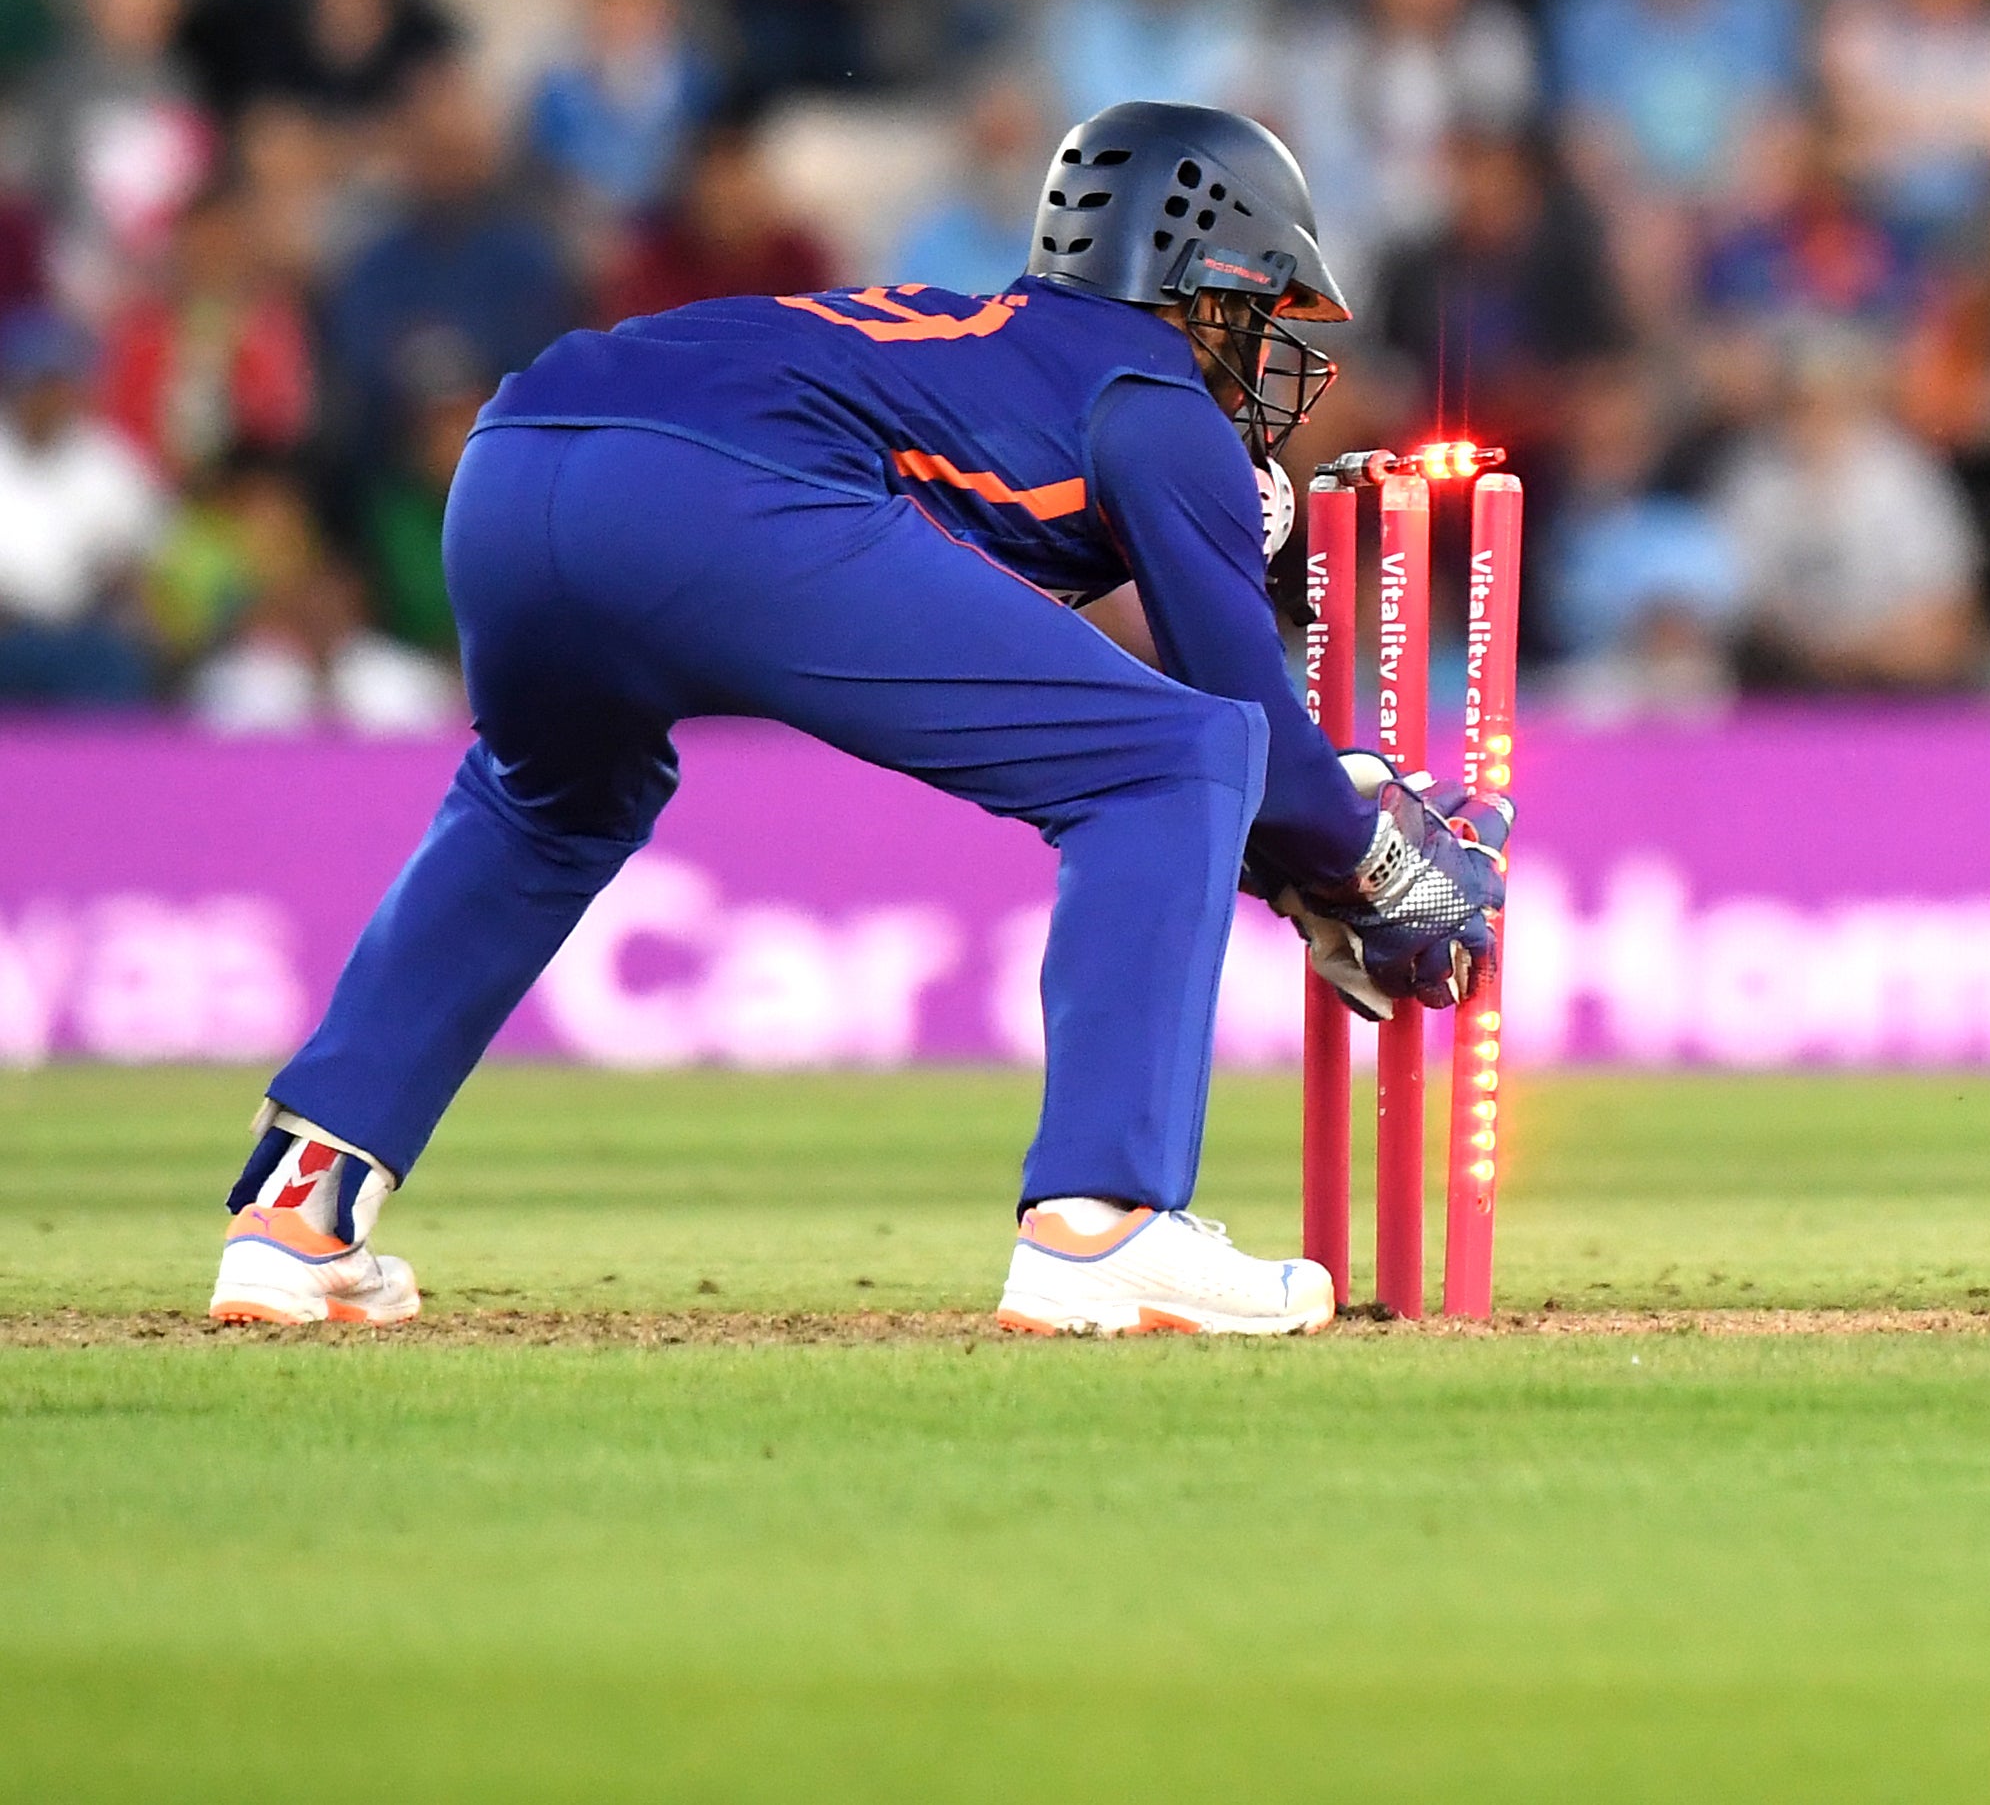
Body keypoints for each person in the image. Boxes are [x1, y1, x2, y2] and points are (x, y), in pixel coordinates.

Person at [210, 104, 1504, 1340]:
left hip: (510, 464)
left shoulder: (982, 336)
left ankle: (297, 1212)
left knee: (549, 803)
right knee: (1167, 763)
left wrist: (1305, 860)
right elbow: (1246, 730)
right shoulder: (1154, 388)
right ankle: (1102, 1221)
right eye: (1257, 310)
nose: (1261, 348)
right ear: (1204, 282)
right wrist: (1385, 862)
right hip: (718, 493)